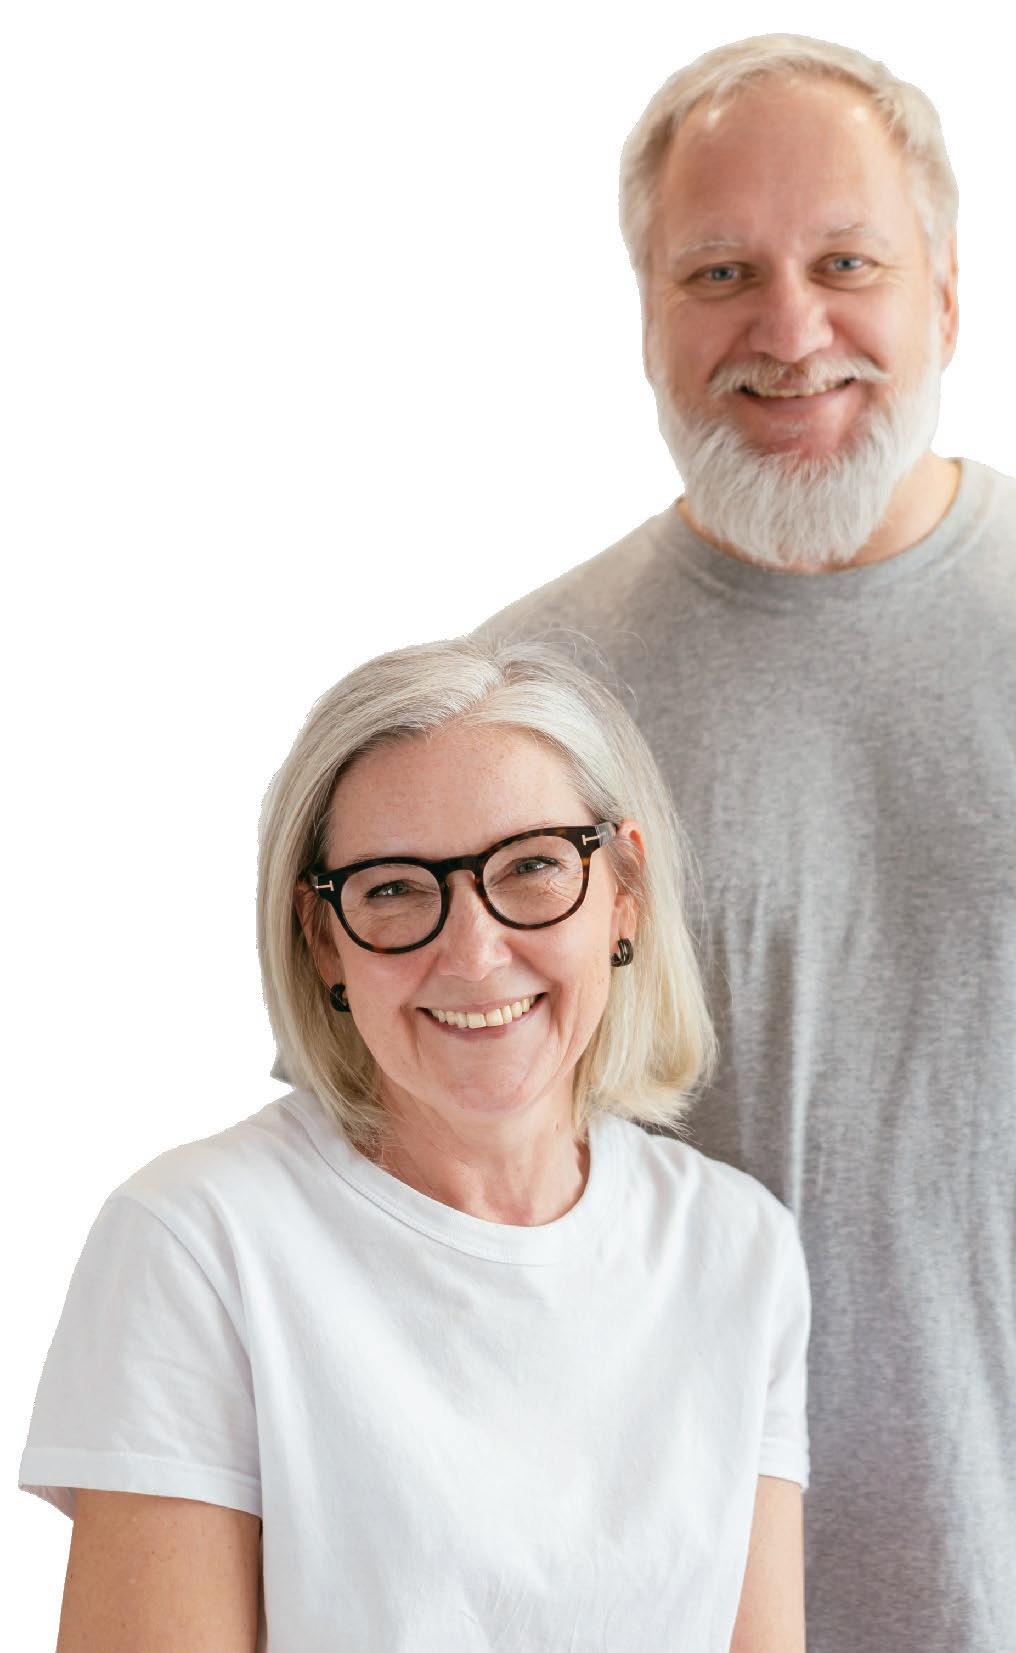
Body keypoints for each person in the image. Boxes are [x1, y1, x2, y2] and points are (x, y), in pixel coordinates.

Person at [485, 33, 1016, 1653]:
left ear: (945, 295)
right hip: (651, 1608)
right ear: (646, 312)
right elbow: (402, 1213)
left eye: (846, 263)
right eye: (719, 272)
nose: (789, 331)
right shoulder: (517, 708)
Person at [21, 638, 810, 1652]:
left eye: (531, 867)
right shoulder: (196, 1244)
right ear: (323, 940)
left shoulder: (739, 1249)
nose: (472, 952)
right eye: (393, 888)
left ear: (624, 892)